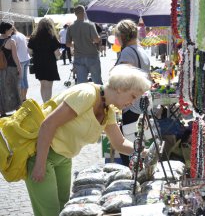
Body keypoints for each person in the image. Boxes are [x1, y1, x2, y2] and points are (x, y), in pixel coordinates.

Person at [25, 64, 152, 216]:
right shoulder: (87, 94)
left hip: (64, 158)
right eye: (132, 96)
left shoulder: (108, 109)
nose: (132, 103)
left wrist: (145, 152)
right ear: (120, 88)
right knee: (49, 213)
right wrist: (40, 164)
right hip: (43, 155)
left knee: (64, 209)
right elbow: (48, 125)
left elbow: (119, 143)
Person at [114, 19, 151, 166]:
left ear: (122, 36)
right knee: (138, 139)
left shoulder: (128, 52)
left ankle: (131, 173)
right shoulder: (141, 51)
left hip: (130, 103)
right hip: (140, 102)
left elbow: (122, 77)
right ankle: (140, 169)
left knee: (128, 142)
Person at [66, 5, 102, 84]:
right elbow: (96, 40)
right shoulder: (90, 25)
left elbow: (68, 44)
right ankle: (99, 96)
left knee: (81, 83)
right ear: (84, 13)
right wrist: (98, 38)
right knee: (97, 81)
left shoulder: (70, 27)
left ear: (75, 14)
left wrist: (75, 44)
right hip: (92, 55)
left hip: (78, 56)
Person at [28, 18, 61, 102]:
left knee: (42, 84)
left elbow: (29, 51)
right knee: (49, 85)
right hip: (50, 63)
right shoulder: (52, 37)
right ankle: (47, 103)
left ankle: (44, 102)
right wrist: (59, 56)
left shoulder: (33, 37)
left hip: (38, 63)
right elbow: (57, 54)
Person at [0, 21, 21, 117]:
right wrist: (19, 67)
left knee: (2, 89)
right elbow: (15, 57)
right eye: (11, 29)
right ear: (6, 30)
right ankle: (17, 108)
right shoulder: (11, 41)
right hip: (11, 68)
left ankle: (2, 111)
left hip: (1, 68)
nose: (12, 30)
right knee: (14, 88)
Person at [12, 27, 30, 101]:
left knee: (20, 80)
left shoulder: (13, 37)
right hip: (26, 58)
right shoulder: (21, 34)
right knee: (25, 79)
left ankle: (22, 99)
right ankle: (24, 98)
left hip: (20, 60)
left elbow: (14, 50)